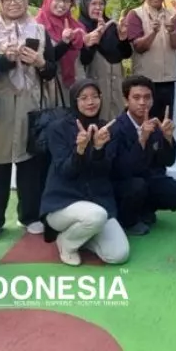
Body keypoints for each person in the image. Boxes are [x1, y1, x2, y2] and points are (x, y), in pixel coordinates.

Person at [0, 0, 58, 242]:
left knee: (30, 162)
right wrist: (5, 60)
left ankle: (30, 215)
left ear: (26, 0)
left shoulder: (39, 30)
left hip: (31, 103)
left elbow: (51, 71)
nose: (13, 3)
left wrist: (40, 61)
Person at [41, 78, 130, 266]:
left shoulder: (106, 129)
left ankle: (84, 235)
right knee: (95, 216)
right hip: (63, 205)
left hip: (98, 203)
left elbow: (105, 170)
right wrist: (79, 150)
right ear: (75, 101)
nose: (90, 102)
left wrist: (98, 148)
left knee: (118, 255)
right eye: (84, 98)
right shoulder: (58, 128)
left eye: (94, 97)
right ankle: (66, 243)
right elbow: (66, 172)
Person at [110, 74, 176, 235]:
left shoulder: (155, 124)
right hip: (124, 184)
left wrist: (168, 139)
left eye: (147, 97)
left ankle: (146, 209)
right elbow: (123, 170)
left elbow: (168, 162)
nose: (142, 102)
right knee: (137, 186)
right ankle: (128, 221)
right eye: (136, 97)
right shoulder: (116, 128)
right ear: (126, 101)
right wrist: (142, 140)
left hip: (149, 180)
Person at [124, 0, 176, 119]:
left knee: (165, 123)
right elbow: (138, 47)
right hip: (143, 83)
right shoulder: (134, 15)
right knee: (144, 123)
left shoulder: (174, 15)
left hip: (167, 81)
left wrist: (172, 32)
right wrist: (153, 32)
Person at [78, 0, 133, 120]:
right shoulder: (79, 28)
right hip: (94, 87)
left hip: (116, 86)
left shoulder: (111, 26)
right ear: (85, 6)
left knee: (117, 122)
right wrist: (93, 41)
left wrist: (123, 38)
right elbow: (83, 60)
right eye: (93, 4)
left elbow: (126, 54)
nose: (98, 7)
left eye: (101, 4)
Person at [35, 0, 87, 103]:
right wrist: (64, 42)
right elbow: (45, 58)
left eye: (67, 1)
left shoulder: (76, 26)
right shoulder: (37, 26)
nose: (62, 4)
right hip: (51, 87)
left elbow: (84, 60)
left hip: (76, 85)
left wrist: (89, 45)